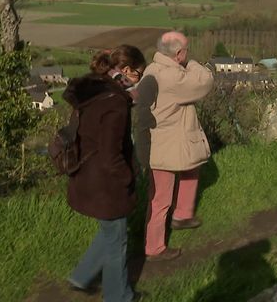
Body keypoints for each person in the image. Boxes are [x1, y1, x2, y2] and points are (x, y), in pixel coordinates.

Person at [63, 45, 146, 302]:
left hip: (86, 174)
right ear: (127, 71)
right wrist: (127, 178)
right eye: (139, 75)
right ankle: (118, 296)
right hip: (106, 183)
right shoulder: (115, 103)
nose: (139, 81)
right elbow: (112, 154)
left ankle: (81, 277)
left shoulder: (94, 88)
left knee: (110, 232)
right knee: (117, 242)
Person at [141, 31, 214, 261]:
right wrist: (191, 63)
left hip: (171, 140)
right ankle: (154, 248)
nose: (188, 54)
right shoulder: (172, 77)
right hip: (167, 144)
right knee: (160, 198)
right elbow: (205, 82)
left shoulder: (152, 68)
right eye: (186, 50)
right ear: (179, 53)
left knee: (192, 168)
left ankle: (182, 215)